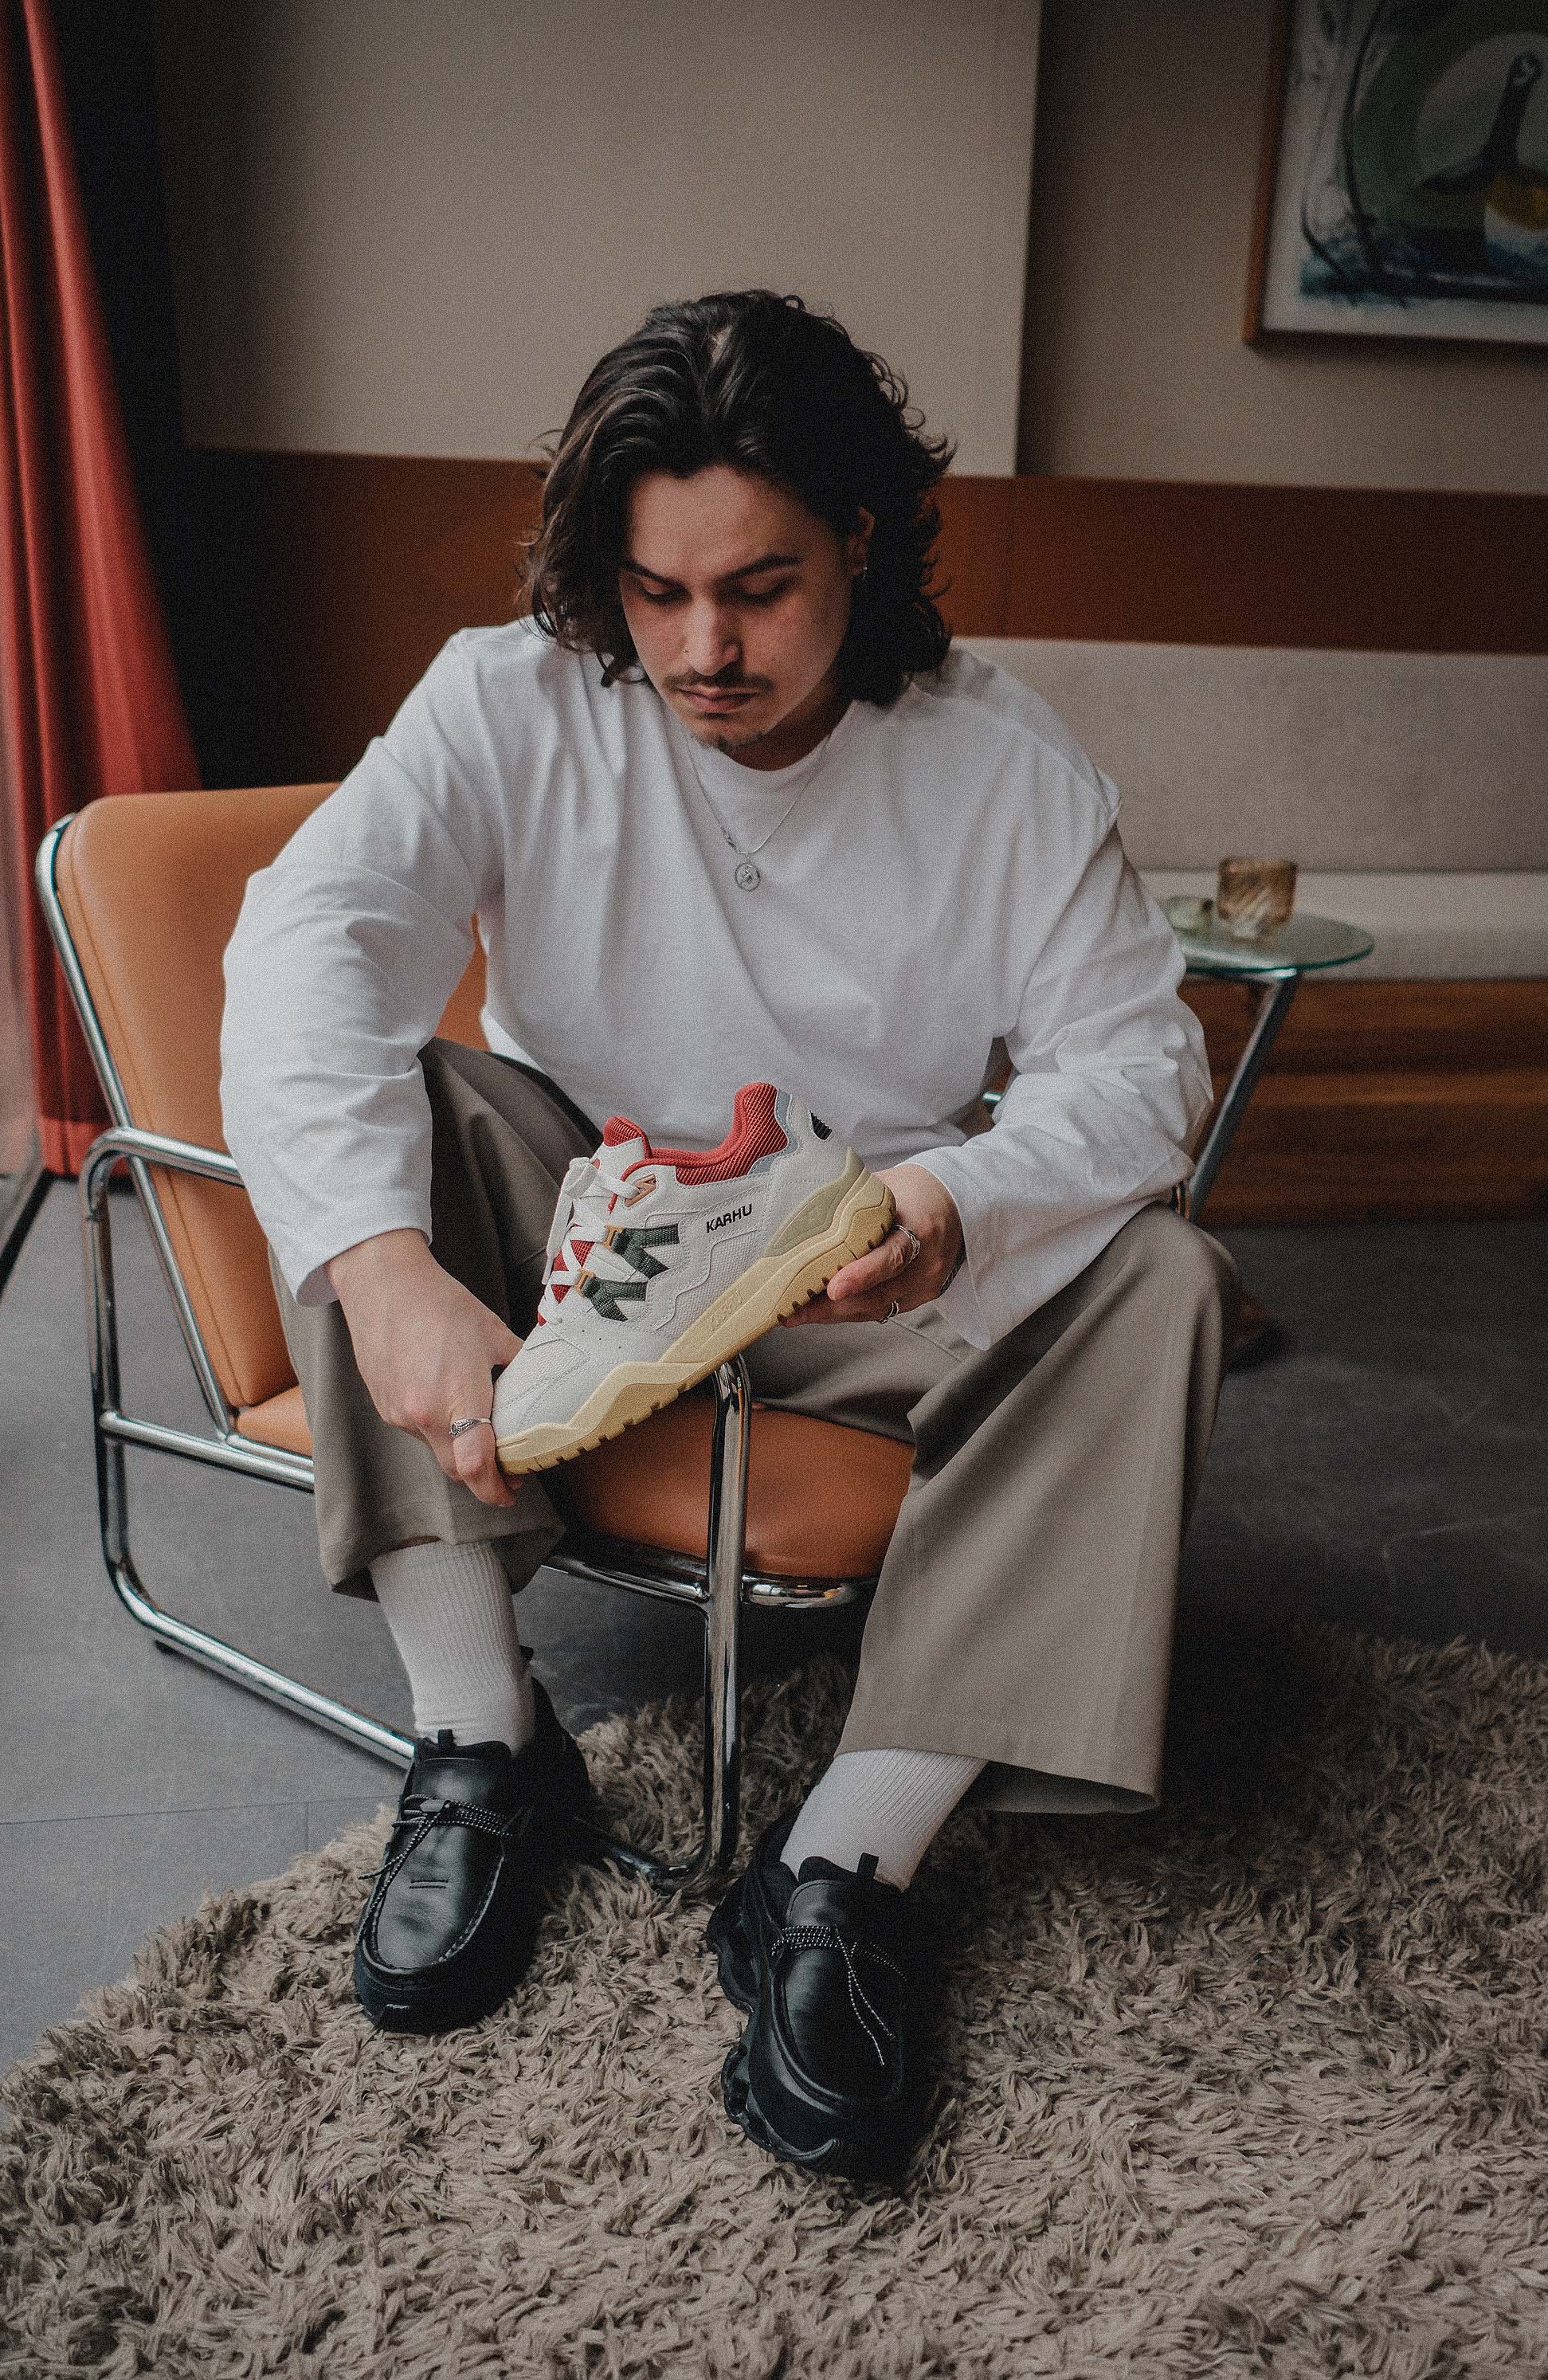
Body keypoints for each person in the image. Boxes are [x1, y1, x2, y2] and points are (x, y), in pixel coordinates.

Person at [219, 288, 1233, 2180]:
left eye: (760, 588)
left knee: (1163, 1271)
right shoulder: (508, 697)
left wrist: (958, 1200)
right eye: (657, 591)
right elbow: (306, 950)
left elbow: (1139, 1070)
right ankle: (482, 1743)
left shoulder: (1006, 766)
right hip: (580, 1240)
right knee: (394, 1108)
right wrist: (381, 1266)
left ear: (862, 539)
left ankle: (839, 1870)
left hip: (862, 1259)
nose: (702, 648)